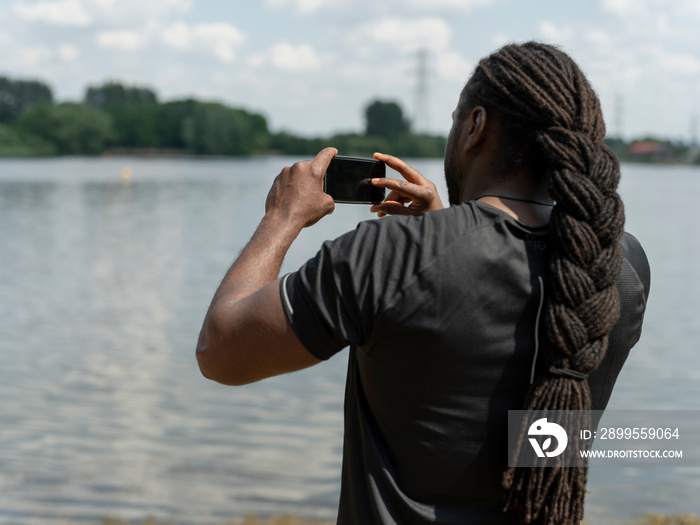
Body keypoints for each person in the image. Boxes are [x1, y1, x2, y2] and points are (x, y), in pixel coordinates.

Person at [196, 42, 650, 525]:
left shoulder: (390, 255)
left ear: (475, 126)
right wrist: (443, 234)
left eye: (456, 119)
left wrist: (282, 217)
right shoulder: (622, 265)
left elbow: (221, 351)